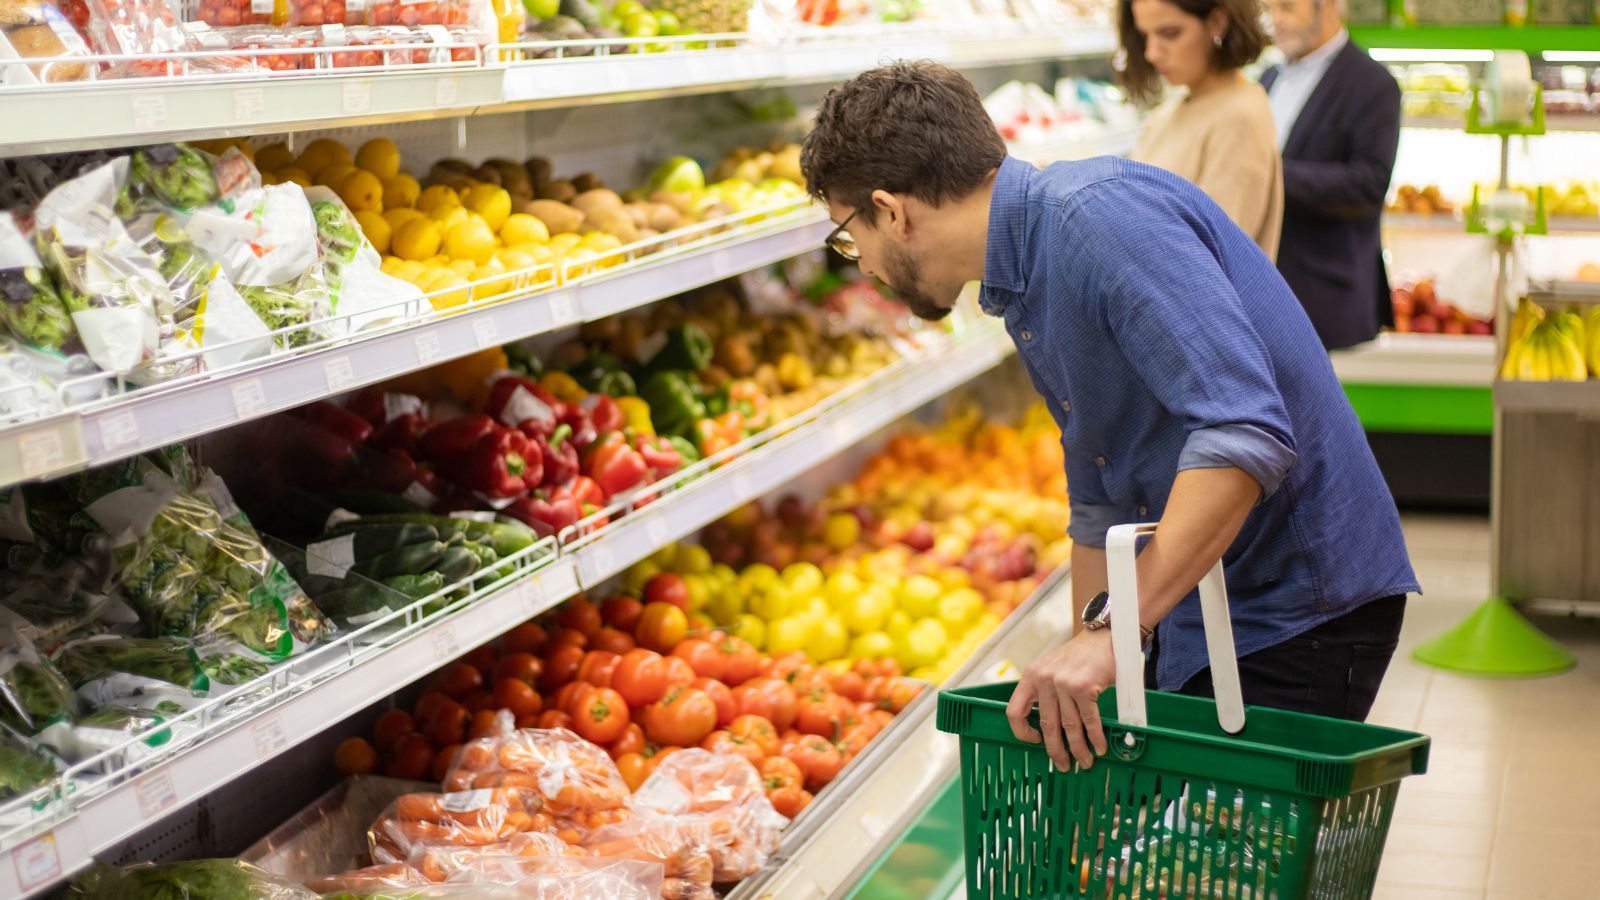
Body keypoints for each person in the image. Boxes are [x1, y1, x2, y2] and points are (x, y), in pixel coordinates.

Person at [800, 62, 1417, 773]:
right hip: (1205, 598)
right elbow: (1102, 498)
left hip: (1294, 605)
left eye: (849, 237)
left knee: (1230, 873)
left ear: (892, 210)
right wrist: (1082, 664)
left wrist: (1115, 633)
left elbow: (1244, 434)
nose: (863, 265)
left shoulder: (1096, 222)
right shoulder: (1021, 275)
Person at [1264, 0, 1402, 349]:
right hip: (1267, 291)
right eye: (1269, 9)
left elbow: (1368, 185)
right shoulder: (1268, 77)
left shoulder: (1373, 84)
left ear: (1327, 7)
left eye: (1286, 8)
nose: (1275, 21)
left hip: (1326, 299)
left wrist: (1266, 177)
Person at [1122, 0, 1284, 259]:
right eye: (1144, 35)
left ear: (1217, 23)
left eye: (1170, 33)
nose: (1151, 53)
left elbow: (1211, 255)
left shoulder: (1240, 115)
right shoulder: (1168, 114)